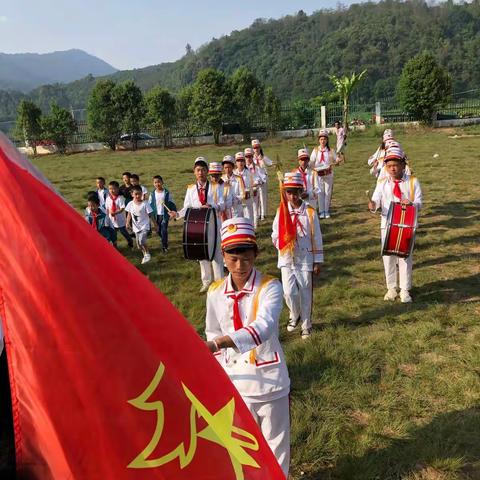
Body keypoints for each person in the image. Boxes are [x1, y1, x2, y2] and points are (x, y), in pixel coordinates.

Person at [205, 217, 290, 476]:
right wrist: (219, 372)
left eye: (246, 258)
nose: (240, 266)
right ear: (223, 256)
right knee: (243, 447)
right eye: (233, 259)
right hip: (235, 382)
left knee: (276, 446)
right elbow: (212, 330)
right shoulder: (215, 291)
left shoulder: (270, 286)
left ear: (256, 254)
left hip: (269, 380)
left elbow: (264, 326)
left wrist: (220, 343)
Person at [272, 172, 323, 339]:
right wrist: (281, 242)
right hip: (286, 257)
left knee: (305, 290)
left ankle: (306, 324)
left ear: (301, 191)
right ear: (284, 193)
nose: (292, 196)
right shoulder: (281, 211)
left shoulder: (309, 212)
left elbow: (316, 237)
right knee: (288, 292)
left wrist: (317, 260)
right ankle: (295, 314)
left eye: (295, 192)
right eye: (289, 192)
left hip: (305, 257)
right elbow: (274, 233)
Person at [368, 146, 423, 303]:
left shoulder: (413, 182)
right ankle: (391, 288)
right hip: (387, 225)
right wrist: (373, 205)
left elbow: (420, 202)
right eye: (389, 166)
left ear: (403, 166)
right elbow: (376, 200)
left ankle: (405, 289)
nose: (392, 169)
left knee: (405, 257)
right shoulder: (382, 182)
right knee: (388, 256)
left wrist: (411, 203)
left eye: (395, 165)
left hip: (406, 226)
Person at [169, 157, 224, 292]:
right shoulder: (191, 189)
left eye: (203, 170)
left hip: (214, 224)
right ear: (194, 172)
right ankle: (206, 281)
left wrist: (211, 205)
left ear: (207, 171)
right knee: (202, 254)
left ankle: (219, 282)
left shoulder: (216, 187)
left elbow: (222, 205)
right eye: (198, 170)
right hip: (198, 226)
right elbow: (187, 206)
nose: (201, 173)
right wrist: (177, 215)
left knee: (216, 253)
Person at [309, 129, 336, 218]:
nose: (323, 141)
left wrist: (338, 160)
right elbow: (312, 161)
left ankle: (326, 210)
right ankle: (321, 211)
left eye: (324, 139)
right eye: (321, 139)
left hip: (328, 173)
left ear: (327, 140)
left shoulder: (331, 150)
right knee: (320, 192)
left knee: (327, 192)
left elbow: (336, 161)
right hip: (318, 174)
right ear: (319, 140)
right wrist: (310, 165)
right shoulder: (315, 150)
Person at [125, 185, 153, 264]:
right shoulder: (130, 204)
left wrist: (155, 224)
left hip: (145, 226)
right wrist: (127, 222)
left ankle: (147, 253)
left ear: (142, 194)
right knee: (139, 245)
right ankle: (144, 255)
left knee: (142, 241)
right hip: (136, 227)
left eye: (139, 194)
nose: (138, 196)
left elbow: (150, 214)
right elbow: (129, 214)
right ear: (132, 194)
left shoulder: (145, 204)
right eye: (136, 194)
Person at [105, 180, 134, 249]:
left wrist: (115, 213)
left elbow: (122, 209)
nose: (112, 190)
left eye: (114, 188)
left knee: (123, 232)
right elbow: (107, 208)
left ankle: (130, 241)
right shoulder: (108, 198)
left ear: (118, 189)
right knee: (113, 234)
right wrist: (107, 216)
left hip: (120, 219)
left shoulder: (120, 198)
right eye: (110, 189)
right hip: (111, 220)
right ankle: (115, 247)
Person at [149, 175, 175, 252]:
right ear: (153, 184)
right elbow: (150, 204)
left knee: (164, 230)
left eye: (159, 182)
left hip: (164, 215)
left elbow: (171, 202)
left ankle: (164, 246)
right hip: (156, 215)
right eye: (155, 182)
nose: (157, 184)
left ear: (162, 182)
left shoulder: (166, 193)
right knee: (159, 231)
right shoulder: (152, 194)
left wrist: (173, 211)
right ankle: (164, 240)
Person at [252, 139, 272, 220]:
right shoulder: (251, 158)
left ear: (260, 148)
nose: (256, 149)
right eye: (254, 148)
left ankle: (263, 214)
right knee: (256, 198)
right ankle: (257, 213)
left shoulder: (264, 157)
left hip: (263, 180)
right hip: (255, 180)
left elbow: (271, 163)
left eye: (257, 147)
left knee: (263, 197)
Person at [245, 147, 266, 226]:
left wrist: (257, 182)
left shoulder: (256, 167)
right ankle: (248, 224)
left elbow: (262, 178)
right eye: (246, 156)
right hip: (245, 192)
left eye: (250, 156)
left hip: (254, 190)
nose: (248, 158)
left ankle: (255, 225)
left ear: (252, 156)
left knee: (255, 207)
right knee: (247, 209)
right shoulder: (242, 168)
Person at [234, 151, 255, 226]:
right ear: (235, 163)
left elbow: (253, 184)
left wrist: (250, 191)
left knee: (249, 215)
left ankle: (250, 231)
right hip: (238, 199)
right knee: (238, 217)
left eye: (242, 160)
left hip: (247, 198)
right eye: (238, 161)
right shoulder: (234, 174)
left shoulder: (249, 173)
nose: (240, 163)